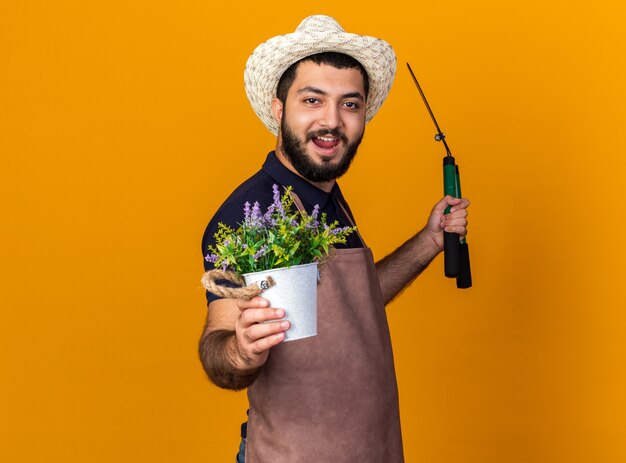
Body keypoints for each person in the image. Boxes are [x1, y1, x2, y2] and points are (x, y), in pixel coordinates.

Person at [199, 15, 469, 463]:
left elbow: (352, 305)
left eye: (349, 104)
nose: (331, 121)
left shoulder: (331, 200)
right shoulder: (248, 217)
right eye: (312, 100)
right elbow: (218, 346)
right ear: (279, 108)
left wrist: (428, 241)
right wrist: (241, 349)